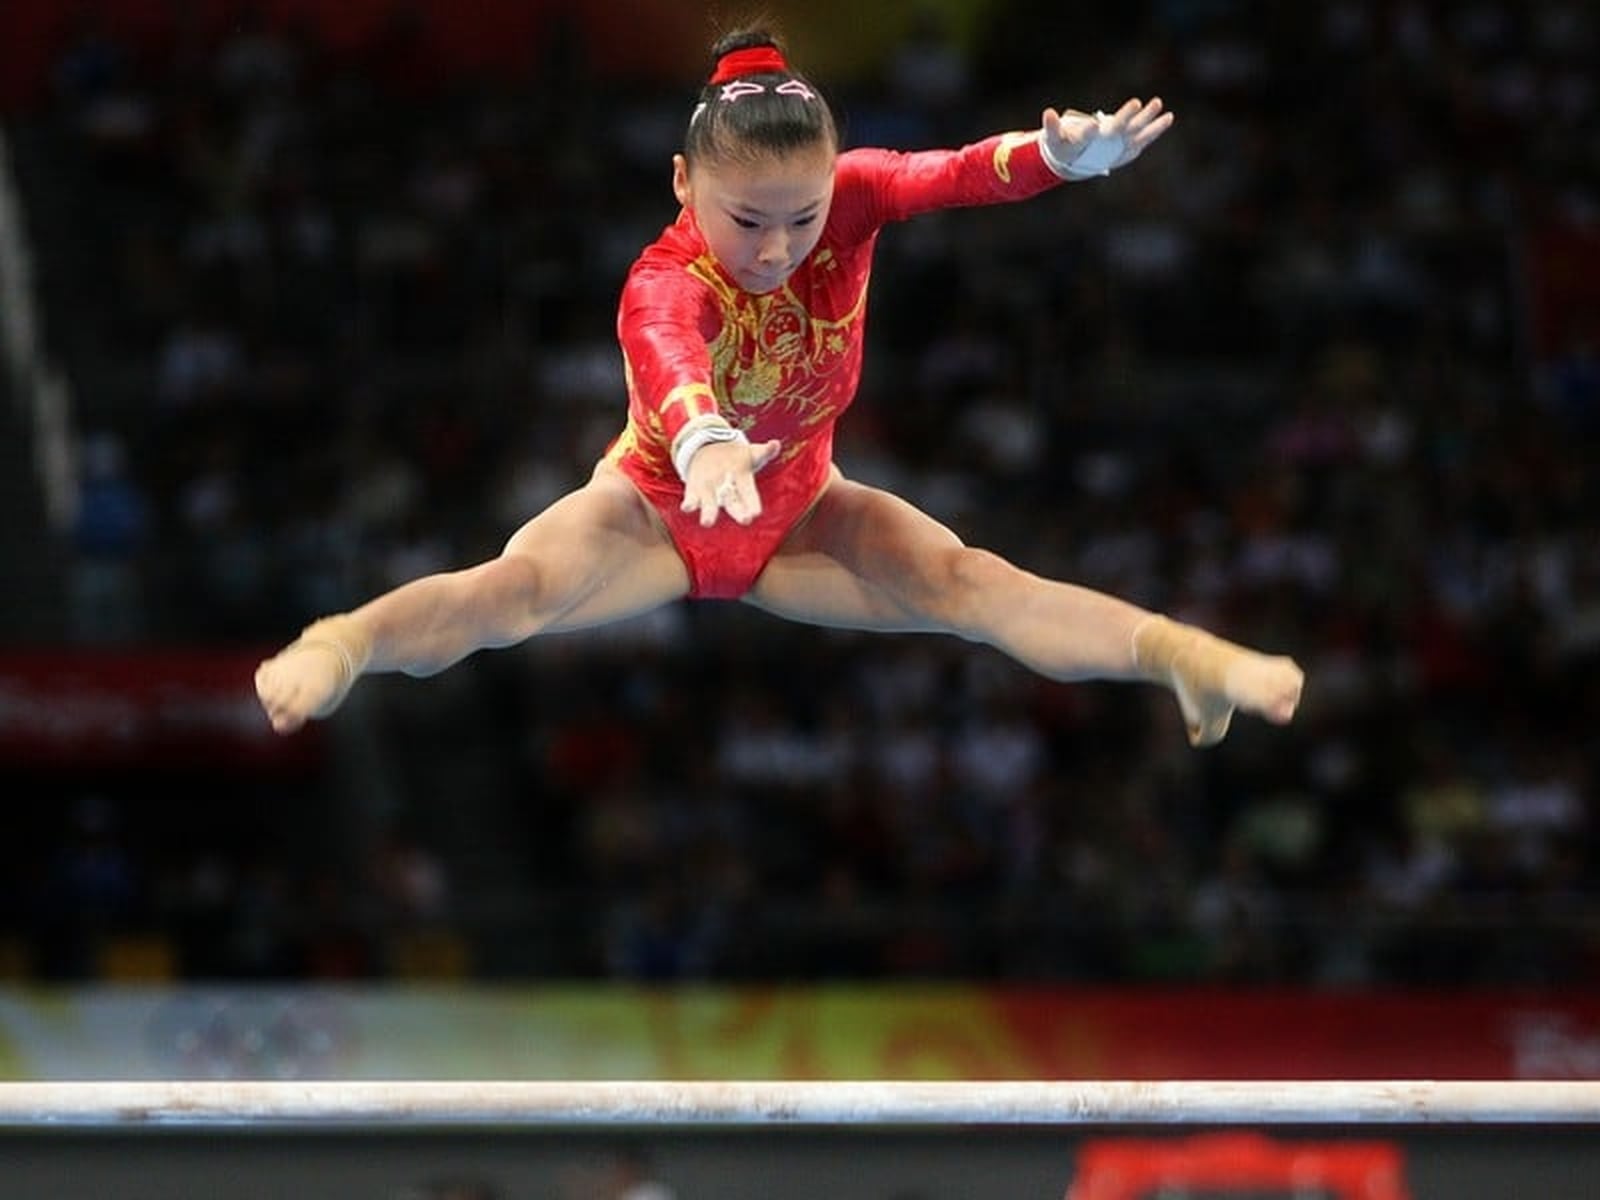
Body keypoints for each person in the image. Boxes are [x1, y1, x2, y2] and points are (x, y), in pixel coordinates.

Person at [255, 27, 1303, 752]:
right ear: (683, 183)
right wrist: (707, 442)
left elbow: (953, 172)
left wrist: (1059, 159)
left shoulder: (852, 201)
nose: (775, 247)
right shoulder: (664, 279)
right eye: (747, 221)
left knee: (973, 585)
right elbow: (668, 355)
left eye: (801, 219)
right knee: (511, 595)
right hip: (652, 514)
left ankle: (1182, 657)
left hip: (803, 511)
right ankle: (342, 645)